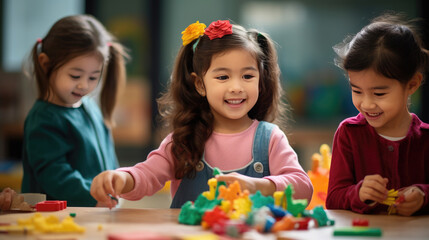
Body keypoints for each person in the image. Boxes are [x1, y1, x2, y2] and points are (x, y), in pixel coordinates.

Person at [90, 20, 313, 208]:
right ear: (200, 84)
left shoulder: (271, 138)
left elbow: (303, 187)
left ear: (261, 80)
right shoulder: (183, 141)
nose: (236, 87)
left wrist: (261, 186)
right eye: (223, 77)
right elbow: (146, 176)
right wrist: (121, 178)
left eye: (247, 76)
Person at [326, 13, 429, 216]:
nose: (366, 103)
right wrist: (359, 193)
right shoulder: (349, 133)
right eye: (357, 90)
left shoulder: (425, 138)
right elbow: (333, 199)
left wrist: (422, 195)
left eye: (379, 93)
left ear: (412, 85)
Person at [21, 15, 128, 207]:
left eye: (93, 77)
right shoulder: (44, 118)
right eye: (75, 75)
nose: (83, 85)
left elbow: (109, 159)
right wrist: (94, 197)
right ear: (46, 64)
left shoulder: (89, 107)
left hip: (95, 211)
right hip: (56, 220)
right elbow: (55, 175)